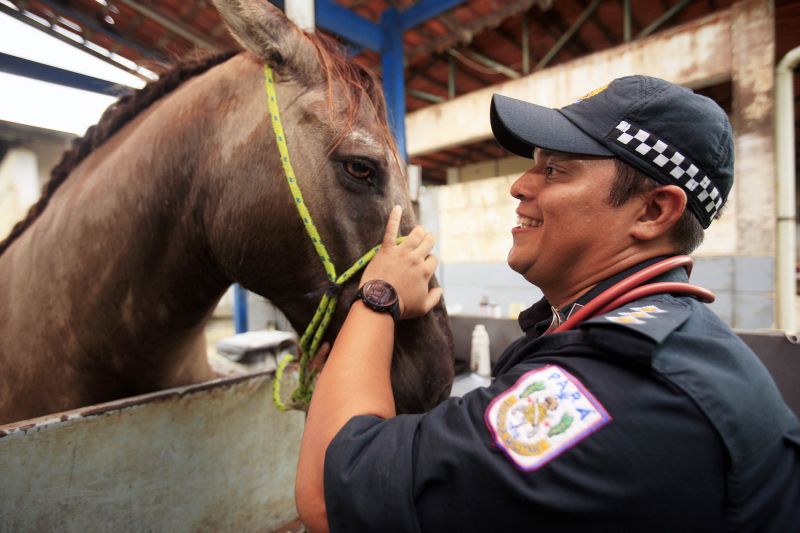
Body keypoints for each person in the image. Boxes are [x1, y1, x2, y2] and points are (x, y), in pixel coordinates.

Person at [294, 75, 800, 532]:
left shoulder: (618, 387)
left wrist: (376, 297)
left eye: (555, 169)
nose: (520, 185)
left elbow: (328, 492)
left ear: (652, 211)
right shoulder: (665, 333)